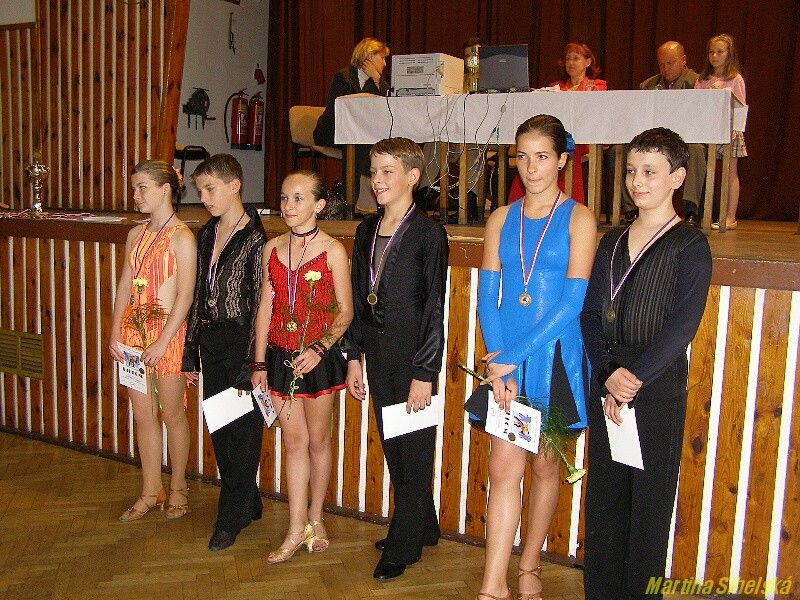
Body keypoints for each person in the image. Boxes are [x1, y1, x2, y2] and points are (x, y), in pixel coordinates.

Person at [580, 128, 712, 599]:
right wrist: (607, 372)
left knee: (649, 506)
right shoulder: (613, 240)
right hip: (608, 379)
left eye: (650, 172)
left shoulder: (689, 246)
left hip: (654, 384)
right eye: (632, 171)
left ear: (677, 177)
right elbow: (590, 315)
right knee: (606, 501)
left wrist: (633, 379)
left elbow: (682, 325)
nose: (637, 181)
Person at [477, 114, 596, 600]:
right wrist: (500, 362)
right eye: (522, 157)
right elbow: (487, 297)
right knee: (502, 469)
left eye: (542, 157)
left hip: (556, 360)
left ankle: (529, 565)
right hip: (508, 361)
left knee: (546, 467)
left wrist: (512, 358)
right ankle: (493, 585)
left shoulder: (580, 219)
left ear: (562, 160)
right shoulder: (500, 219)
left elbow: (572, 303)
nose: (530, 167)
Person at [343, 137, 448, 581]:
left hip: (412, 357)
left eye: (388, 171)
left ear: (412, 176)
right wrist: (353, 356)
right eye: (374, 171)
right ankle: (423, 525)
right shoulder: (365, 231)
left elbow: (434, 307)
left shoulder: (428, 234)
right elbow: (355, 298)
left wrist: (425, 371)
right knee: (393, 443)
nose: (378, 180)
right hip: (377, 352)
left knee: (414, 449)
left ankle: (404, 544)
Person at [251, 170, 353, 564]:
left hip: (318, 358)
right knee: (293, 443)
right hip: (279, 355)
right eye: (284, 198)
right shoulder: (271, 248)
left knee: (318, 441)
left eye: (298, 198)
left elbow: (345, 312)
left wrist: (321, 348)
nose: (288, 206)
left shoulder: (333, 251)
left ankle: (316, 517)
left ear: (319, 205)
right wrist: (259, 361)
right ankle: (295, 529)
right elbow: (265, 307)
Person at [181, 154, 267, 552]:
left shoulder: (255, 238)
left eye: (210, 189)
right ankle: (248, 500)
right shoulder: (206, 233)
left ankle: (230, 518)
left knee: (242, 433)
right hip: (210, 340)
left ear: (235, 186)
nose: (204, 198)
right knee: (220, 427)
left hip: (241, 341)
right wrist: (189, 352)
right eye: (200, 191)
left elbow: (259, 303)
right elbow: (198, 295)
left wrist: (253, 361)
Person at [109, 160, 197, 522]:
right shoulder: (135, 234)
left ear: (165, 189)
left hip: (168, 335)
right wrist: (115, 331)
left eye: (142, 187)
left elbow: (186, 296)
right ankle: (150, 489)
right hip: (133, 332)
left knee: (172, 414)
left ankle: (178, 487)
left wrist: (163, 341)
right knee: (143, 415)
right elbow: (125, 284)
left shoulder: (182, 237)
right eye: (134, 188)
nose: (135, 195)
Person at [507, 42, 606, 205]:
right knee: (537, 146)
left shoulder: (597, 86)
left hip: (585, 139)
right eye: (568, 59)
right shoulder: (554, 87)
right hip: (554, 135)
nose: (571, 63)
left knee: (568, 144)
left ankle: (570, 203)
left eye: (576, 58)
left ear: (588, 62)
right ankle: (520, 203)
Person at [624, 41, 706, 224]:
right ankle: (632, 208)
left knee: (696, 150)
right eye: (662, 64)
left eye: (670, 63)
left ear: (683, 60)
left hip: (689, 137)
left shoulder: (698, 83)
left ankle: (690, 208)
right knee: (625, 150)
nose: (666, 68)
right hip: (655, 140)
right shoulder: (648, 85)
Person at [314, 37, 390, 214]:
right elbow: (335, 111)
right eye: (382, 58)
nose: (385, 63)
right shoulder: (343, 77)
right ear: (369, 56)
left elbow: (387, 109)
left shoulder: (379, 82)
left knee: (369, 143)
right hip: (331, 130)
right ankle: (351, 201)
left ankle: (362, 201)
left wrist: (377, 81)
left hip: (360, 134)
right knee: (357, 144)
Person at [695, 34, 747, 230]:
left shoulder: (735, 79)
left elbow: (740, 106)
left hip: (729, 130)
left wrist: (723, 94)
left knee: (730, 173)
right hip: (707, 131)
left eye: (720, 52)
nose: (715, 56)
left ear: (729, 54)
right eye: (711, 52)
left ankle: (730, 216)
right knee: (710, 172)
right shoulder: (703, 79)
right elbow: (695, 105)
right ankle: (706, 213)